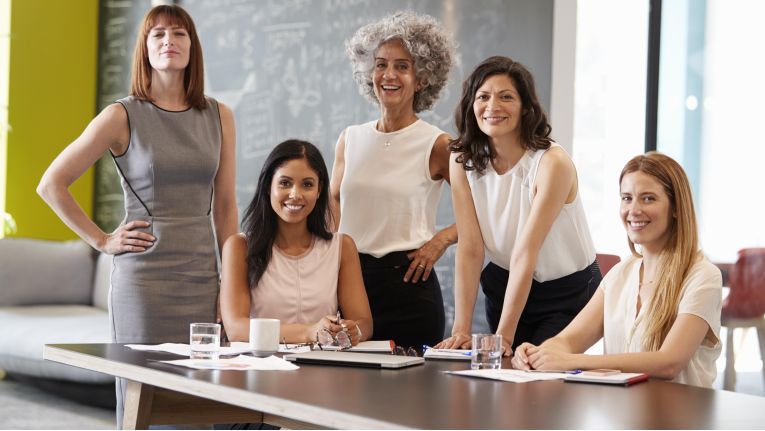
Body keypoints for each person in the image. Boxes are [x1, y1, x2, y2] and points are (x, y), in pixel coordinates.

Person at [36, 4, 237, 425]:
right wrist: (102, 241)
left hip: (202, 277)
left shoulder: (220, 116)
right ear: (144, 49)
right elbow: (51, 184)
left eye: (179, 34)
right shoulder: (121, 115)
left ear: (192, 47)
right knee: (141, 397)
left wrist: (230, 283)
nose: (169, 41)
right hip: (142, 281)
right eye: (158, 34)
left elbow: (225, 207)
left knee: (200, 396)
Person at [511, 152, 722, 388]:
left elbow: (669, 362)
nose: (634, 210)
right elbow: (567, 341)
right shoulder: (619, 275)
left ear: (675, 207)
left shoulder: (703, 276)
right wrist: (537, 353)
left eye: (648, 198)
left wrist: (572, 361)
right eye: (627, 198)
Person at [437, 56, 601, 355]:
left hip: (567, 292)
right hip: (505, 283)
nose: (492, 107)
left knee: (537, 375)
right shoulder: (462, 158)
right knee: (503, 381)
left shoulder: (552, 163)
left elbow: (526, 253)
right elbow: (471, 247)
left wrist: (504, 338)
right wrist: (461, 330)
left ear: (526, 107)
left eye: (506, 97)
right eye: (483, 97)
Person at [330, 11, 457, 350]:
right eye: (381, 64)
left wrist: (440, 241)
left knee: (410, 400)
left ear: (423, 77)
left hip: (409, 288)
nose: (389, 74)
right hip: (349, 285)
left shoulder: (438, 144)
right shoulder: (350, 138)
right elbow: (333, 205)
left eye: (402, 66)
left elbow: (482, 212)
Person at [220, 140, 372, 345]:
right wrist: (310, 332)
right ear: (268, 186)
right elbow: (236, 328)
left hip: (324, 369)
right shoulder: (239, 247)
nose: (295, 194)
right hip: (262, 369)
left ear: (319, 191)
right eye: (285, 183)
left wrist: (353, 331)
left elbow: (364, 323)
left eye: (307, 184)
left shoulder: (342, 247)